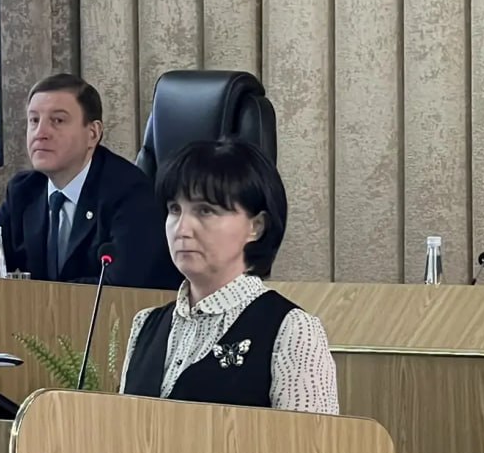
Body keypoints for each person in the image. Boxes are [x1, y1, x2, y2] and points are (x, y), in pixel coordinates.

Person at [119, 139, 339, 413]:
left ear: (256, 227)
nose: (182, 229)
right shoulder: (145, 324)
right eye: (175, 209)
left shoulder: (292, 330)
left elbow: (311, 440)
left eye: (205, 210)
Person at [0, 73, 180, 290]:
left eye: (57, 121)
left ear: (93, 133)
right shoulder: (24, 190)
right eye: (34, 120)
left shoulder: (129, 191)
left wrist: (39, 297)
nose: (40, 133)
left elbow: (120, 285)